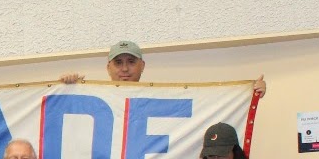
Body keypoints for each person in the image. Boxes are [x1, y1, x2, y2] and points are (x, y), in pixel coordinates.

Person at [60, 40, 265, 97]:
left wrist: (249, 92)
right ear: (108, 68)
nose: (124, 69)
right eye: (118, 62)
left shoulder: (162, 95)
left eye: (131, 62)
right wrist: (66, 87)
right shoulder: (92, 95)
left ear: (142, 66)